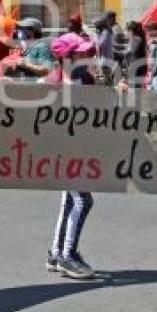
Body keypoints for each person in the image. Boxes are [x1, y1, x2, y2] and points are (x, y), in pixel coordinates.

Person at [45, 32, 98, 279]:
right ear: (68, 58)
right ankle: (67, 255)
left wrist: (115, 91)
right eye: (81, 53)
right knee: (83, 200)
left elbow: (105, 108)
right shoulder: (52, 84)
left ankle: (56, 253)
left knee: (69, 200)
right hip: (61, 152)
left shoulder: (86, 80)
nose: (87, 57)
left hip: (81, 149)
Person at [119, 21, 148, 89]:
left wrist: (126, 76)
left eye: (125, 30)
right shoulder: (137, 39)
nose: (124, 33)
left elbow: (133, 58)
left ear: (130, 31)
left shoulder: (136, 40)